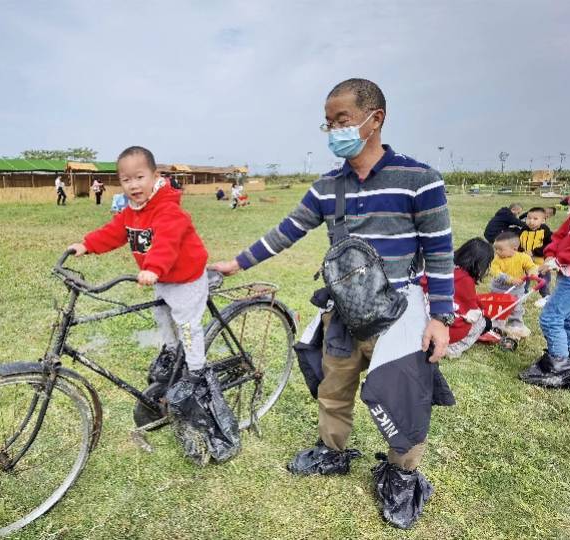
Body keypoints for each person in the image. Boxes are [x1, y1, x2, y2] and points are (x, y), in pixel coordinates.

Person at [210, 78, 455, 529]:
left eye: (342, 120)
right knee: (333, 388)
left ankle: (402, 476)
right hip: (343, 313)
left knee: (403, 399)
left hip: (399, 316)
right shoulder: (327, 188)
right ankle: (332, 450)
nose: (335, 131)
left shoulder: (420, 180)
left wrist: (440, 318)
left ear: (374, 119)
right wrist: (238, 263)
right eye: (328, 124)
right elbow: (288, 229)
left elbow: (440, 253)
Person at [68, 145, 212, 378]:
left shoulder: (168, 210)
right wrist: (87, 245)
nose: (133, 185)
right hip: (163, 278)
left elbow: (166, 242)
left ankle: (197, 373)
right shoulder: (132, 210)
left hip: (186, 279)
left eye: (139, 177)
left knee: (187, 326)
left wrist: (153, 268)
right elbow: (113, 232)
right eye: (126, 180)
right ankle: (172, 351)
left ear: (155, 177)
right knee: (162, 315)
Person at [520, 209, 570, 388]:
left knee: (551, 319)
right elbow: (561, 234)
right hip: (568, 272)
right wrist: (551, 253)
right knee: (569, 318)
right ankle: (569, 355)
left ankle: (559, 367)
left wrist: (559, 260)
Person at [447, 238, 495, 358]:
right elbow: (471, 313)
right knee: (482, 323)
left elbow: (467, 298)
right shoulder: (465, 280)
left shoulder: (448, 268)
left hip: (426, 319)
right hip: (445, 329)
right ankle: (453, 348)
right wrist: (485, 318)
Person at [490, 231, 537, 338]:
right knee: (498, 307)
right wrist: (510, 279)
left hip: (517, 289)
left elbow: (531, 266)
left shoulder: (523, 258)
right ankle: (496, 325)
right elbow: (495, 272)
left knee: (516, 308)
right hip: (499, 288)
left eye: (500, 249)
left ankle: (515, 325)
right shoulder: (497, 259)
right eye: (496, 248)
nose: (497, 252)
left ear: (514, 249)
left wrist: (532, 272)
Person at [518, 207, 553, 305]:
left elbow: (549, 245)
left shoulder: (545, 231)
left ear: (543, 220)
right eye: (528, 218)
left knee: (543, 280)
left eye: (535, 219)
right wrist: (521, 251)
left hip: (541, 262)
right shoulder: (523, 230)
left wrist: (534, 251)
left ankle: (546, 296)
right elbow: (518, 243)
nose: (531, 221)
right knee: (525, 278)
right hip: (526, 261)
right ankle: (522, 294)